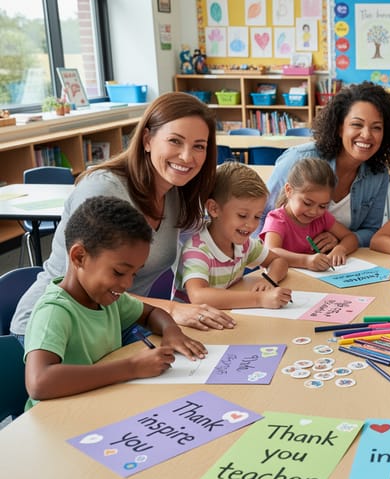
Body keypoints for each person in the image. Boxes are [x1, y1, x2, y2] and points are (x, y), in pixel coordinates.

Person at [12, 92, 236, 343]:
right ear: (148, 139)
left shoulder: (175, 192)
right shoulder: (103, 190)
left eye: (199, 146)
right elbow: (85, 286)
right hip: (55, 329)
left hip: (114, 323)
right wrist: (171, 309)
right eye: (175, 141)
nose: (187, 156)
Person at [23, 197, 208, 411]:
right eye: (119, 272)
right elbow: (39, 382)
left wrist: (171, 330)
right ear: (79, 256)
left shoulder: (105, 298)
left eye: (134, 273)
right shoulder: (54, 311)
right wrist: (131, 367)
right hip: (58, 419)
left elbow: (150, 314)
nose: (128, 283)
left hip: (99, 405)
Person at [264, 81, 390, 247]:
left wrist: (341, 241)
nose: (366, 135)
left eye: (377, 128)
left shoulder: (378, 173)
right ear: (339, 127)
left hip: (340, 263)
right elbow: (262, 216)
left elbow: (371, 230)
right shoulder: (298, 159)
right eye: (356, 124)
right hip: (286, 262)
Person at [175, 162, 292, 309]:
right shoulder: (197, 250)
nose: (251, 225)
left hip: (226, 318)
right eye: (242, 215)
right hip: (192, 326)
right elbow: (198, 296)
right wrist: (259, 299)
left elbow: (279, 261)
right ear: (214, 209)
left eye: (257, 217)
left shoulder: (244, 244)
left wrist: (269, 279)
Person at [262, 157, 359, 271]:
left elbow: (350, 237)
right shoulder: (277, 219)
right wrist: (306, 261)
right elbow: (271, 252)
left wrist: (340, 249)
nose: (314, 212)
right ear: (289, 190)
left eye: (323, 206)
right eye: (307, 203)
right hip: (280, 280)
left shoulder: (322, 218)